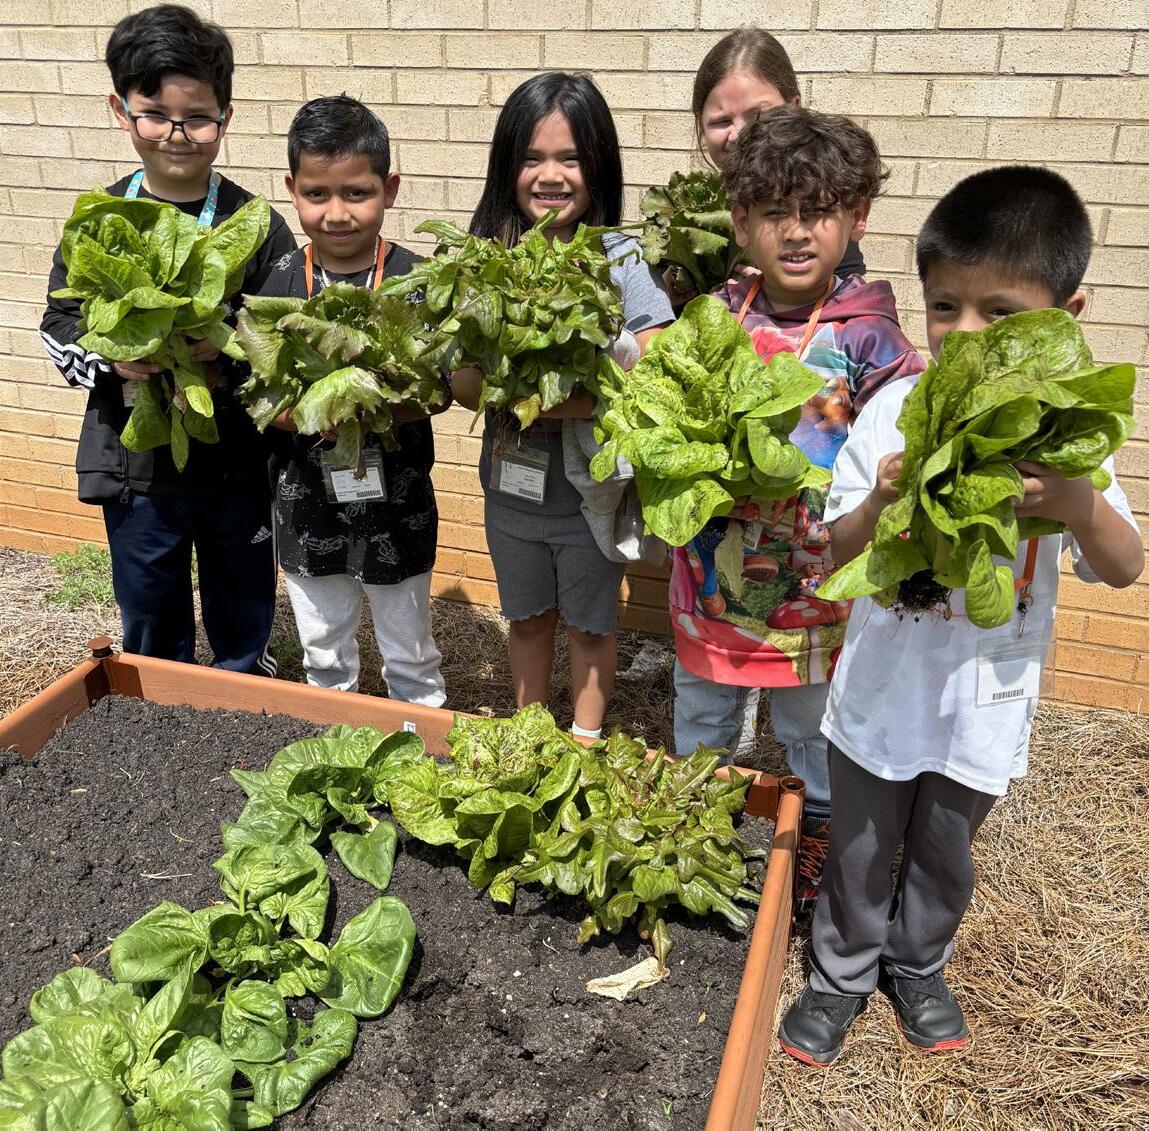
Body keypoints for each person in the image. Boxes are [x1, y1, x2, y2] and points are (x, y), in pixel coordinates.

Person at [778, 166, 1144, 1066]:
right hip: (881, 692)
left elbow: (1124, 565)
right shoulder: (895, 411)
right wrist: (882, 496)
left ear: (1066, 313)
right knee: (859, 845)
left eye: (1000, 313)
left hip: (983, 698)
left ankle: (917, 963)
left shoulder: (1066, 436)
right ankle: (839, 972)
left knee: (946, 849)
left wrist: (1075, 503)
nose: (965, 333)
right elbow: (835, 549)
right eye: (944, 308)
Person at [668, 106, 925, 916]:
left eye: (817, 210)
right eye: (774, 211)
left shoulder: (869, 339)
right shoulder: (715, 317)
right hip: (712, 578)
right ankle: (699, 831)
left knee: (812, 729)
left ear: (857, 217)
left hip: (814, 588)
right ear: (740, 221)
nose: (796, 231)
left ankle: (816, 845)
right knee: (702, 713)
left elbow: (903, 439)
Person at [39, 3, 296, 675]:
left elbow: (283, 330)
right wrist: (113, 357)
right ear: (121, 110)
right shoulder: (100, 218)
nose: (177, 135)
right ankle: (159, 709)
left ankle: (244, 691)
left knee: (242, 607)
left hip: (235, 462)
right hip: (135, 469)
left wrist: (227, 344)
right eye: (155, 114)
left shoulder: (254, 223)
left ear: (225, 118)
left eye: (198, 117)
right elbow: (59, 324)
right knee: (150, 617)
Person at [451, 72, 674, 739]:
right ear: (506, 166)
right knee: (525, 617)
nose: (551, 176)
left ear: (598, 165)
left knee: (590, 623)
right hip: (511, 487)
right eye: (532, 158)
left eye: (570, 158)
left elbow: (653, 356)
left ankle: (584, 740)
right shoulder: (483, 257)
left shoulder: (620, 255)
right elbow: (461, 380)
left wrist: (560, 394)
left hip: (591, 491)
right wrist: (543, 392)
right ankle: (530, 733)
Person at [258, 95, 448, 706]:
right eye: (317, 194)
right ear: (292, 189)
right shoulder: (278, 279)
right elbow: (256, 394)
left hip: (399, 502)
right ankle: (333, 733)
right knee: (323, 647)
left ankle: (420, 733)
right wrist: (308, 414)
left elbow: (440, 388)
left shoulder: (417, 280)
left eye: (357, 193)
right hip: (305, 500)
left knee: (410, 648)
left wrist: (377, 408)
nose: (336, 213)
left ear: (389, 189)